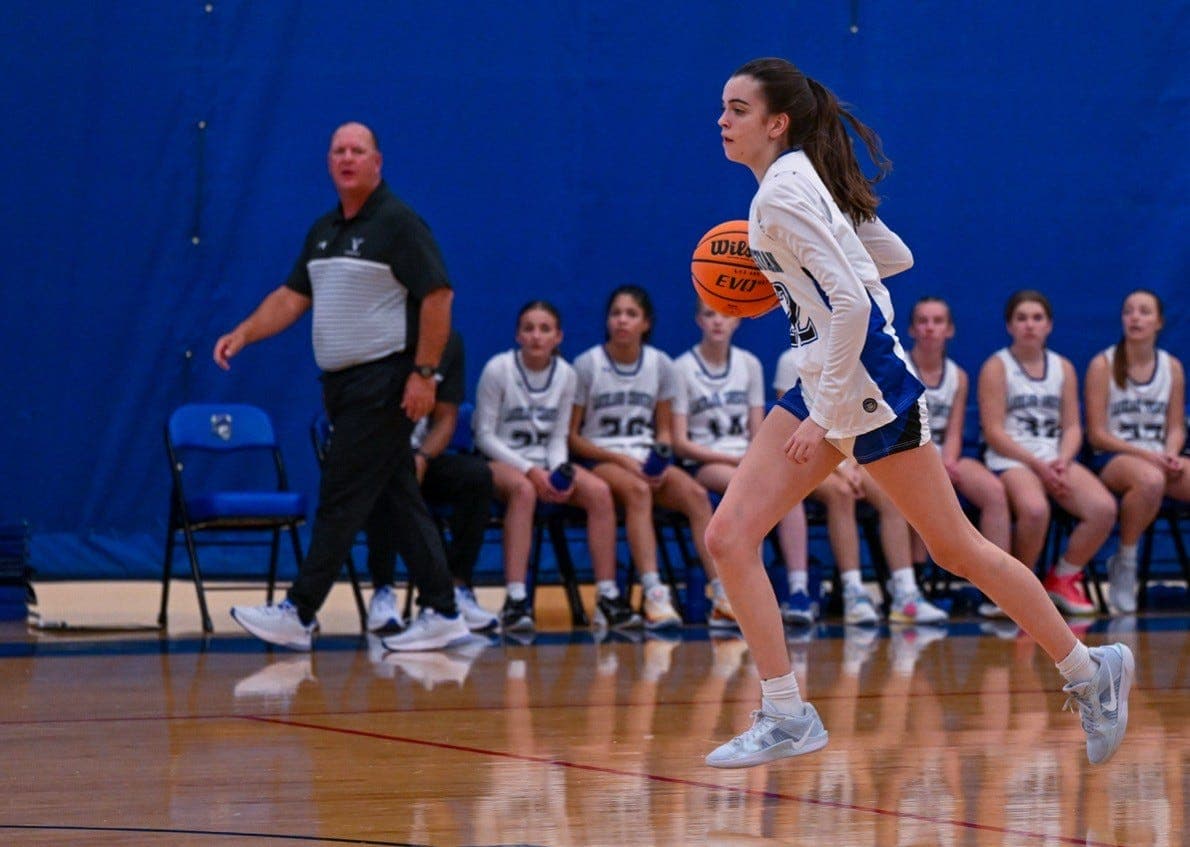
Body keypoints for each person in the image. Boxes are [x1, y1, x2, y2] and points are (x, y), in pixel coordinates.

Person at [703, 58, 1133, 769]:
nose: (722, 119)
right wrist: (834, 249)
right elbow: (894, 255)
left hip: (866, 385)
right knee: (729, 535)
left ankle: (1091, 669)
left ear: (776, 123)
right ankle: (785, 712)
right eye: (723, 107)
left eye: (738, 108)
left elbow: (854, 302)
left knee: (956, 548)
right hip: (827, 377)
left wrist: (823, 408)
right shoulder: (798, 179)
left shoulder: (780, 193)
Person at [214, 121, 467, 653]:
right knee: (399, 498)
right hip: (343, 386)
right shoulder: (324, 230)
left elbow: (438, 296)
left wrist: (424, 375)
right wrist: (244, 332)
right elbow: (291, 296)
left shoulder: (398, 223)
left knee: (340, 497)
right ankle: (444, 610)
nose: (347, 157)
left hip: (384, 382)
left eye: (358, 150)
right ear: (329, 163)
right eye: (338, 150)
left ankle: (300, 610)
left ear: (378, 162)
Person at [568, 285, 733, 629]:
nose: (622, 321)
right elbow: (572, 437)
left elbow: (663, 430)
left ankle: (722, 593)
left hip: (644, 460)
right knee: (638, 492)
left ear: (645, 323)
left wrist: (658, 458)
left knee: (697, 496)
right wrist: (623, 461)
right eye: (616, 314)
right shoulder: (587, 364)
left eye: (631, 314)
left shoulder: (660, 364)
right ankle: (655, 594)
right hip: (604, 459)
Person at [472, 300, 640, 632]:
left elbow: (558, 437)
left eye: (544, 329)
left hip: (545, 463)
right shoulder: (498, 369)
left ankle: (607, 596)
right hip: (502, 462)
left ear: (558, 337)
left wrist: (558, 475)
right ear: (518, 335)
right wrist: (531, 471)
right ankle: (516, 600)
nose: (536, 336)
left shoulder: (566, 375)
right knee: (523, 491)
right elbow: (484, 436)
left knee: (599, 492)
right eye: (528, 328)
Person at [773, 350, 949, 626]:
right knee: (841, 494)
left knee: (892, 495)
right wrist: (839, 470)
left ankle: (905, 592)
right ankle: (853, 591)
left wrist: (853, 467)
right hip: (808, 458)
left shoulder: (859, 350)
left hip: (854, 457)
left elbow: (867, 421)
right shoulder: (791, 359)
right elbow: (791, 428)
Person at [671, 301, 813, 627]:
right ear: (698, 321)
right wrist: (733, 459)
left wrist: (751, 459)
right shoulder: (682, 368)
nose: (717, 322)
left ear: (737, 322)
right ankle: (738, 595)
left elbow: (757, 430)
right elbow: (680, 442)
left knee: (787, 492)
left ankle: (798, 591)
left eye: (724, 315)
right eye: (709, 315)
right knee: (751, 491)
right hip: (704, 462)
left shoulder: (748, 364)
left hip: (744, 458)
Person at [978, 290, 1118, 616]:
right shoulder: (997, 367)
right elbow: (995, 432)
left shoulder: (1063, 367)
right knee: (1035, 509)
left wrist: (1062, 461)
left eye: (1037, 318)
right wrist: (1038, 466)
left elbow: (1072, 427)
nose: (1030, 325)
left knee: (1103, 509)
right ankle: (1018, 591)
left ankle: (1063, 578)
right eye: (1022, 318)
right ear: (1010, 326)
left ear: (1049, 326)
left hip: (1055, 457)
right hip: (1013, 459)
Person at [362, 329, 499, 634]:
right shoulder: (379, 332)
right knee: (384, 480)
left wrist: (423, 457)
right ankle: (383, 592)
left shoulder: (448, 340)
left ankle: (457, 586)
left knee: (476, 476)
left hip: (419, 455)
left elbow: (446, 418)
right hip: (375, 452)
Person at [905, 296, 1013, 618]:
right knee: (920, 492)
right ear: (911, 329)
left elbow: (953, 430)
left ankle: (998, 587)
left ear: (949, 330)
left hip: (944, 456)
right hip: (906, 455)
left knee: (994, 491)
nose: (929, 328)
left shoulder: (958, 376)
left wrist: (948, 461)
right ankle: (919, 582)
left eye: (937, 321)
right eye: (923, 321)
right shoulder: (899, 368)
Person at [1084, 289, 1188, 613]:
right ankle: (1125, 562)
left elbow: (1175, 427)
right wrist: (1150, 456)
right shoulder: (1102, 365)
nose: (1135, 317)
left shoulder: (1171, 368)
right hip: (1113, 458)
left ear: (1158, 322)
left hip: (1158, 458)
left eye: (1144, 311)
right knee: (1150, 479)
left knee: (1159, 475)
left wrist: (1171, 451)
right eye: (1129, 311)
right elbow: (1098, 434)